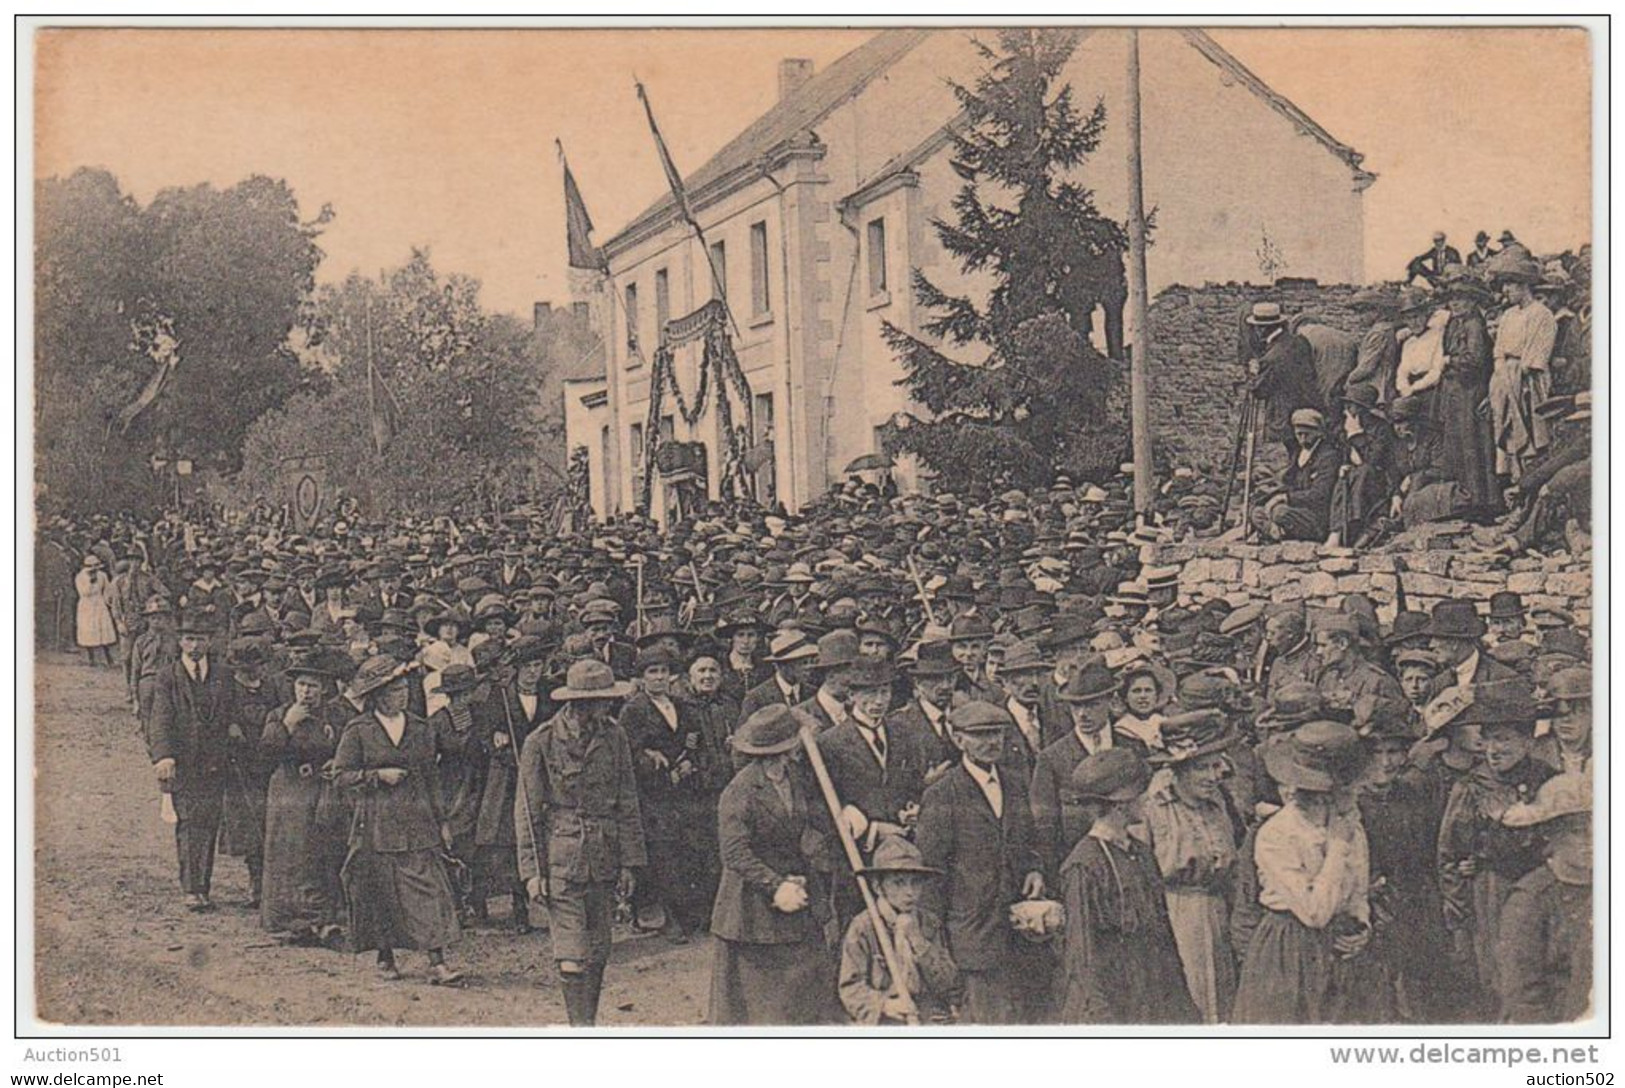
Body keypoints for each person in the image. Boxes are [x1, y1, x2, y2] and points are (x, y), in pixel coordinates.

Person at [514, 658, 645, 1025]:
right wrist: (531, 872)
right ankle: (580, 1030)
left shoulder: (614, 736)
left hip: (605, 853)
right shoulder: (540, 742)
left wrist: (631, 862)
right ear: (577, 703)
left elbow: (627, 800)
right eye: (601, 701)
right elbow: (527, 811)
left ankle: (588, 1024)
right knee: (571, 950)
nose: (607, 707)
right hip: (562, 855)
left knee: (600, 948)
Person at [333, 656, 464, 986]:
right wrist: (377, 775)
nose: (402, 696)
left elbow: (432, 778)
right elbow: (340, 776)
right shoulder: (358, 730)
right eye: (394, 691)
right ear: (377, 695)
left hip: (418, 823)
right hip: (377, 825)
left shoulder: (421, 728)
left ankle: (437, 961)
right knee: (381, 894)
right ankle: (385, 956)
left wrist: (442, 820)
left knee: (429, 891)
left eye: (405, 689)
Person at [916, 701, 1047, 1024]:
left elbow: (1027, 839)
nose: (991, 743)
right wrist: (939, 939)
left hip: (1019, 928)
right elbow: (931, 872)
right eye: (980, 735)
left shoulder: (1015, 782)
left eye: (997, 734)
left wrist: (1034, 868)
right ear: (958, 740)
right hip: (972, 931)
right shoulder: (942, 794)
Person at [1233, 722, 1374, 1024]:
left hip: (1339, 950)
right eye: (1348, 789)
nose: (1355, 796)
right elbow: (1314, 913)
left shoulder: (1349, 824)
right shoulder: (1278, 834)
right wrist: (1337, 847)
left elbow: (1357, 890)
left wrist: (1361, 926)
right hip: (1290, 950)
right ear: (1323, 792)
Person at [708, 704, 839, 1026]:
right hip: (753, 905)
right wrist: (776, 885)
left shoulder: (795, 777)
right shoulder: (740, 790)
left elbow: (808, 818)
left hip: (798, 889)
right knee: (761, 1002)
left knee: (805, 990)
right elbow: (735, 853)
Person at [1436, 685, 1554, 1019]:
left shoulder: (1548, 782)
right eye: (1487, 739)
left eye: (1503, 739)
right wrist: (1459, 913)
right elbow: (1449, 854)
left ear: (1527, 742)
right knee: (1498, 977)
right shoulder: (1471, 787)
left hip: (1541, 893)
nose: (1493, 749)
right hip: (1490, 894)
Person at [1055, 748, 1198, 1024]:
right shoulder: (1084, 866)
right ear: (1121, 804)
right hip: (1115, 1000)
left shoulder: (1141, 852)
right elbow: (1081, 957)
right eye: (1142, 795)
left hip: (1154, 991)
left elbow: (1164, 935)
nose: (1147, 800)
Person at [621, 644, 722, 942]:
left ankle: (691, 913)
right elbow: (630, 752)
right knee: (662, 855)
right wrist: (657, 764)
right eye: (653, 672)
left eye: (664, 672)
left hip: (684, 792)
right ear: (642, 678)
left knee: (687, 850)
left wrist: (689, 763)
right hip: (653, 794)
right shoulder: (634, 710)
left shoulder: (681, 706)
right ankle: (667, 917)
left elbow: (696, 742)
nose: (659, 678)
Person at [1143, 716, 1241, 1023]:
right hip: (1177, 913)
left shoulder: (1217, 802)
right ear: (1178, 771)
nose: (1212, 777)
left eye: (1215, 767)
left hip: (1218, 908)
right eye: (1202, 768)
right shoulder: (1156, 807)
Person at [145, 611, 231, 912]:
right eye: (190, 639)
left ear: (210, 642)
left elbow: (230, 714)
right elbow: (160, 719)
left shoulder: (223, 673)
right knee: (189, 823)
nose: (195, 645)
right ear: (180, 642)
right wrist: (164, 756)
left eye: (201, 639)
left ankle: (202, 885)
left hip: (217, 762)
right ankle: (192, 888)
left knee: (209, 822)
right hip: (184, 762)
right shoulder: (168, 676)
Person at [259, 652, 346, 945]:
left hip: (324, 792)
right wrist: (287, 725)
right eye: (301, 685)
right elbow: (266, 752)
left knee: (323, 853)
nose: (306, 692)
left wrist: (337, 762)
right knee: (290, 854)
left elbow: (347, 746)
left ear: (324, 688)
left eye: (312, 685)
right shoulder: (280, 714)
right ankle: (293, 920)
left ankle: (324, 918)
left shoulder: (335, 716)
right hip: (290, 793)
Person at [1496, 774, 1592, 1023]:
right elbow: (1522, 996)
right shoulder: (1531, 899)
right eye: (1578, 832)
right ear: (1551, 834)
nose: (1592, 842)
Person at [838, 837, 961, 1025]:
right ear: (878, 887)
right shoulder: (863, 927)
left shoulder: (929, 923)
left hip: (927, 1013)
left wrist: (918, 941)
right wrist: (885, 1005)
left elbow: (949, 983)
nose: (910, 891)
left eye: (916, 883)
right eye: (899, 883)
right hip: (884, 1016)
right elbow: (850, 987)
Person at [1029, 660, 1119, 877]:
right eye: (1076, 706)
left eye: (1092, 704)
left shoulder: (1132, 748)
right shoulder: (1052, 759)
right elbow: (1044, 826)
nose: (1082, 714)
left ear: (1111, 701)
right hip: (1078, 869)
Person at [1435, 272, 1502, 517]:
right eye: (1452, 299)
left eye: (1461, 299)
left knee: (1473, 443)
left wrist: (1450, 360)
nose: (1455, 304)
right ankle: (1465, 497)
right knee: (1458, 444)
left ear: (1473, 301)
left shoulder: (1474, 324)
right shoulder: (1454, 323)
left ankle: (1481, 501)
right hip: (1455, 390)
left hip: (1470, 389)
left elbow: (1475, 360)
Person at [219, 638, 277, 908]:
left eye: (256, 665)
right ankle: (256, 882)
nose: (253, 671)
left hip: (268, 762)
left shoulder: (271, 688)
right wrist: (230, 726)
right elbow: (217, 720)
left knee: (271, 822)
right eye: (246, 667)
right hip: (240, 765)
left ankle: (270, 883)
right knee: (250, 825)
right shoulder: (228, 689)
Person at [1489, 258, 1558, 481]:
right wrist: (1501, 377)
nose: (1505, 290)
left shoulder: (1542, 314)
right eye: (1503, 285)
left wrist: (1513, 378)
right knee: (1508, 437)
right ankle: (1513, 491)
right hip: (1504, 379)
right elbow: (1498, 351)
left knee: (1530, 435)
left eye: (1510, 284)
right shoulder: (1508, 315)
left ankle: (1530, 492)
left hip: (1528, 383)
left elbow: (1535, 359)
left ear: (1524, 285)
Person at [1246, 303, 1322, 459]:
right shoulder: (1299, 341)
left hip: (1285, 415)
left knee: (1293, 455)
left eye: (1256, 328)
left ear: (1262, 329)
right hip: (1309, 407)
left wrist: (1253, 375)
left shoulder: (1272, 358)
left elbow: (1260, 391)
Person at [1253, 409, 1340, 542]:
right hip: (1296, 509)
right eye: (1299, 434)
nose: (1303, 439)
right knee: (1257, 511)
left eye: (1307, 434)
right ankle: (1278, 532)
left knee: (1280, 513)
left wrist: (1286, 498)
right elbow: (1289, 483)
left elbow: (1320, 494)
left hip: (1315, 515)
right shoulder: (1298, 454)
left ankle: (1278, 533)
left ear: (1319, 433)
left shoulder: (1328, 457)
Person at [75, 554, 118, 667]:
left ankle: (109, 659)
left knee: (103, 630)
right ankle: (91, 659)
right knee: (89, 630)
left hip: (99, 604)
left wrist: (108, 600)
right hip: (87, 605)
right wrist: (91, 582)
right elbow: (84, 592)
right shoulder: (80, 577)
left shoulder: (102, 575)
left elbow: (107, 589)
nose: (94, 571)